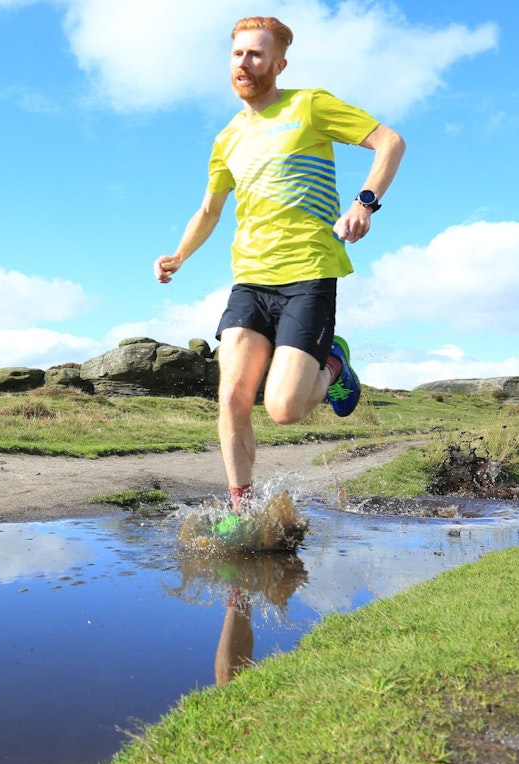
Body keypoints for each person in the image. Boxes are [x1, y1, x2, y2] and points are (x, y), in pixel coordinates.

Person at [154, 15, 405, 517]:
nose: (244, 63)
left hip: (308, 272)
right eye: (237, 54)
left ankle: (333, 362)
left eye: (255, 54)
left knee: (285, 410)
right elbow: (210, 210)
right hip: (249, 278)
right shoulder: (226, 137)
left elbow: (389, 142)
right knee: (232, 398)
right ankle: (242, 511)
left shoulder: (308, 105)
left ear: (278, 62)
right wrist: (179, 255)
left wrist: (365, 202)